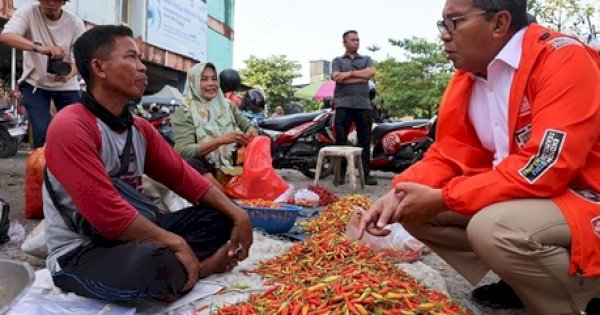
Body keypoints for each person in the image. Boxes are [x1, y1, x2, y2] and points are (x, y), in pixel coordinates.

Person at [359, 1, 600, 314]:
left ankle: (580, 298)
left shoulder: (562, 58)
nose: (444, 35)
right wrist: (399, 192)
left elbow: (544, 167)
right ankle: (522, 282)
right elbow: (448, 153)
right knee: (412, 209)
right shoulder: (469, 77)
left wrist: (445, 197)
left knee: (494, 229)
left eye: (454, 22)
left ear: (499, 23)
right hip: (529, 195)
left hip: (585, 194)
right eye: (442, 24)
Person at [43, 25, 253, 302]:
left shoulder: (140, 129)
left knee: (220, 216)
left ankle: (179, 269)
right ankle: (197, 269)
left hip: (136, 233)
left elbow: (185, 178)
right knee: (154, 263)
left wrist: (239, 214)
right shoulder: (72, 125)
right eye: (131, 57)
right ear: (99, 67)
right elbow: (107, 216)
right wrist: (175, 242)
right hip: (83, 249)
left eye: (140, 59)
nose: (142, 68)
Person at [0, 0, 85, 148]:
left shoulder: (75, 23)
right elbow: (6, 36)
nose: (50, 2)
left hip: (66, 85)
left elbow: (82, 59)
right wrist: (40, 48)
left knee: (75, 129)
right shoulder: (28, 12)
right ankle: (43, 167)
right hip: (35, 83)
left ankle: (68, 165)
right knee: (42, 130)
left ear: (64, 1)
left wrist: (69, 73)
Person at [172, 63, 259, 185]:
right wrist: (220, 140)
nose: (211, 83)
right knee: (191, 162)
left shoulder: (228, 106)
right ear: (194, 82)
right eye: (204, 79)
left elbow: (248, 124)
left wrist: (252, 131)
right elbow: (184, 151)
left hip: (230, 167)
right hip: (204, 173)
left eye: (214, 79)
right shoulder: (185, 111)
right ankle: (225, 199)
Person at [331, 30, 377, 185]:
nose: (356, 42)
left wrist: (348, 74)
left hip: (363, 105)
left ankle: (366, 174)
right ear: (344, 42)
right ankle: (340, 175)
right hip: (343, 105)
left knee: (364, 141)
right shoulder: (337, 61)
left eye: (358, 39)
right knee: (341, 141)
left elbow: (370, 74)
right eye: (353, 40)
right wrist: (358, 76)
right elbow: (337, 78)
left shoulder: (366, 59)